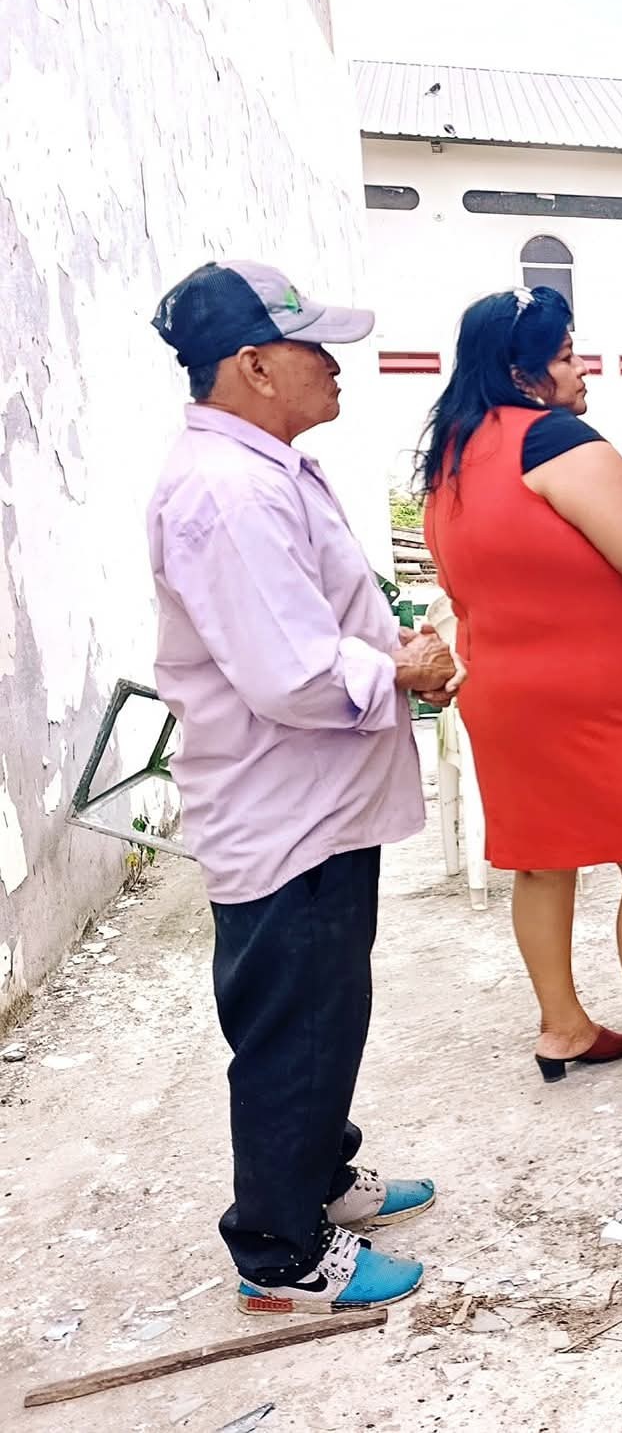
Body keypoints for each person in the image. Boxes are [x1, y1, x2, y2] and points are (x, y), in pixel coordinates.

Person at [147, 260, 452, 1312]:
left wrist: (394, 653)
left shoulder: (263, 469)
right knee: (295, 1029)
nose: (333, 364)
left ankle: (319, 1178)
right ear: (254, 365)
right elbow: (290, 673)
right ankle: (280, 1255)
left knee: (328, 1007)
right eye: (312, 346)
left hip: (316, 801)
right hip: (283, 809)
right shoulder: (227, 492)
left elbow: (313, 624)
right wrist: (403, 670)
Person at [421, 289, 622, 1096]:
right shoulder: (551, 438)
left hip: (502, 687)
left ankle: (564, 1026)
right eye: (567, 356)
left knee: (543, 862)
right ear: (522, 371)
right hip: (580, 699)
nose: (582, 371)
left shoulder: (456, 452)